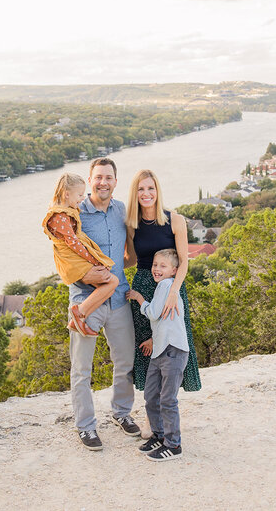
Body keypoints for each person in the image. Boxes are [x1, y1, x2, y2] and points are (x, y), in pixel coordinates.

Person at [68, 158, 141, 451]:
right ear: (90, 179)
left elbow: (131, 255)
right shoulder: (74, 213)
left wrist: (115, 273)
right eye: (98, 177)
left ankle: (121, 413)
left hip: (120, 297)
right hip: (86, 300)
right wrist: (91, 275)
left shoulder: (121, 210)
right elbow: (63, 258)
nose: (103, 182)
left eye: (108, 178)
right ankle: (85, 427)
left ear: (115, 181)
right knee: (81, 369)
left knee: (125, 363)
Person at [125, 169, 201, 396]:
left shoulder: (175, 220)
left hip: (171, 288)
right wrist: (101, 264)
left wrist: (173, 293)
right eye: (141, 189)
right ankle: (152, 412)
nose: (146, 193)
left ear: (157, 190)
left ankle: (168, 403)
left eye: (150, 188)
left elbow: (184, 262)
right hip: (143, 289)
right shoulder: (132, 224)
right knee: (148, 349)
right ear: (135, 193)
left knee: (172, 346)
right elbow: (130, 259)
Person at [126, 248, 189, 461]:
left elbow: (153, 313)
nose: (157, 269)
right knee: (152, 396)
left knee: (167, 399)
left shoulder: (166, 285)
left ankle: (173, 444)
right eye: (155, 265)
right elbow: (162, 318)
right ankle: (159, 435)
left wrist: (138, 298)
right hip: (160, 350)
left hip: (173, 351)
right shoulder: (163, 287)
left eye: (163, 266)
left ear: (174, 270)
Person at [42, 172, 118, 337]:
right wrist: (95, 262)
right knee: (112, 281)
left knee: (108, 285)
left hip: (76, 260)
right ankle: (80, 312)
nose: (83, 198)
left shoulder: (66, 211)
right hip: (74, 262)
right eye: (80, 194)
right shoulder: (59, 216)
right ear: (67, 194)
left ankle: (78, 319)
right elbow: (73, 243)